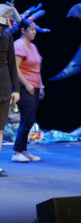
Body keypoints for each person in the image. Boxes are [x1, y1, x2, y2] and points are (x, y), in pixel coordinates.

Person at [12, 19, 43, 162]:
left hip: (35, 86)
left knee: (30, 120)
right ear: (23, 30)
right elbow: (15, 68)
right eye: (31, 29)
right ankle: (17, 152)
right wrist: (26, 84)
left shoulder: (33, 46)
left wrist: (40, 85)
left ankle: (24, 150)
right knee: (27, 119)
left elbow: (37, 68)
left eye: (35, 29)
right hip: (24, 87)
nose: (34, 32)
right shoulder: (18, 45)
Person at [0, 4, 20, 175]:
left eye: (2, 26)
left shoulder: (7, 38)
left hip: (4, 87)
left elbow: (13, 65)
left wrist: (16, 89)